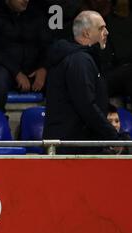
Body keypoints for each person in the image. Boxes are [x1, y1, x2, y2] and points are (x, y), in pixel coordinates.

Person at [43, 10, 121, 154]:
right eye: (101, 28)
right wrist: (112, 136)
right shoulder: (80, 60)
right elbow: (86, 104)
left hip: (76, 145)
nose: (107, 32)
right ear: (86, 33)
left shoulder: (81, 58)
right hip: (73, 149)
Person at [0, 0, 51, 113]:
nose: (26, 0)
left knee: (58, 73)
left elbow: (48, 45)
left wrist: (43, 68)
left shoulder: (36, 14)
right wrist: (16, 72)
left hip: (33, 72)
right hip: (7, 71)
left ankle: (54, 123)